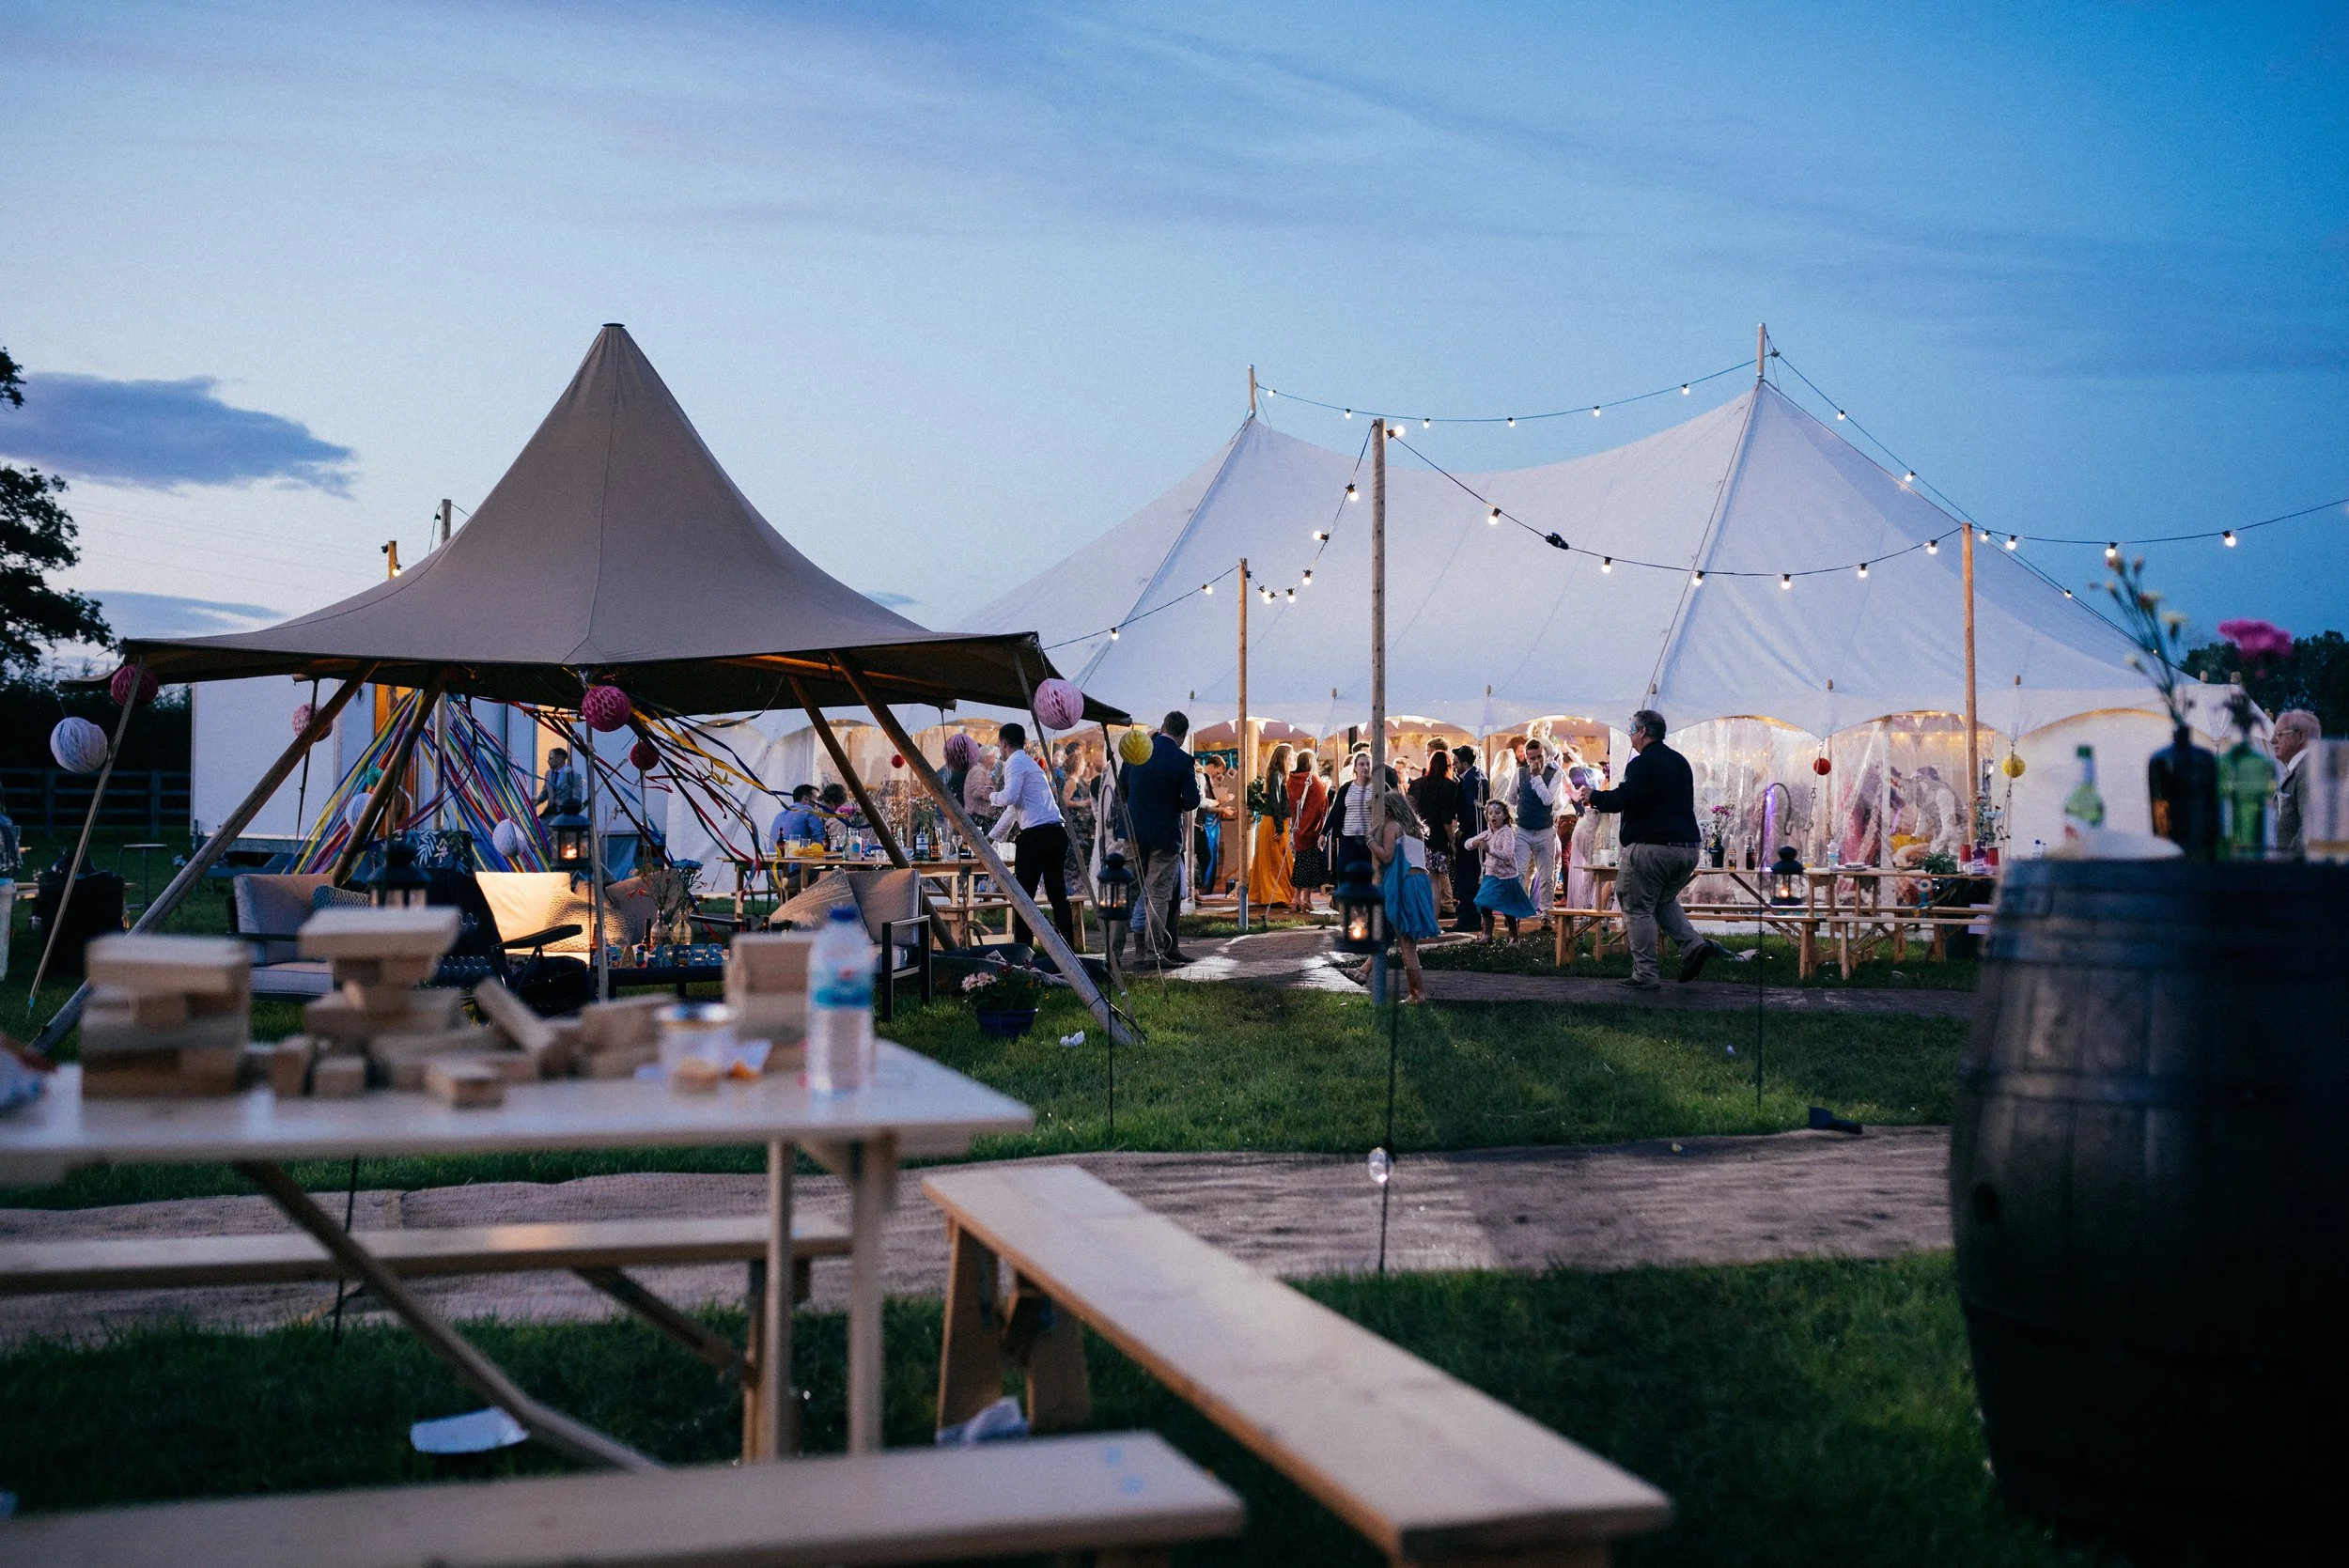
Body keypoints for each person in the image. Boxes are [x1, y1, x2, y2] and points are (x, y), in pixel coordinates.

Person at [1585, 709, 1725, 991]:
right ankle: (1694, 946)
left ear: (1642, 732)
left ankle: (1645, 973)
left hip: (1652, 848)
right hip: (1687, 848)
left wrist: (1595, 796)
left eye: (1631, 729)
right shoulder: (1680, 761)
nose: (1629, 735)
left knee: (1636, 906)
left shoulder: (1642, 764)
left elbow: (1625, 798)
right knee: (1662, 900)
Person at [988, 722, 1075, 950]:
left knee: (1023, 898)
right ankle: (1068, 948)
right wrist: (992, 837)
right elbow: (1013, 809)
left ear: (1003, 743)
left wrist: (991, 796)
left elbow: (1009, 798)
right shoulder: (1029, 763)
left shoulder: (1014, 762)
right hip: (1055, 832)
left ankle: (1023, 949)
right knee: (1057, 894)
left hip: (1037, 836)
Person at [1124, 711, 1202, 965]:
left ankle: (1114, 952)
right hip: (1165, 835)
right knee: (1158, 894)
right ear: (1183, 736)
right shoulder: (1182, 760)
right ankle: (1153, 953)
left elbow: (1122, 789)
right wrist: (1172, 802)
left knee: (1128, 890)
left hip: (1134, 831)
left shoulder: (1138, 751)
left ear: (1163, 726)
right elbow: (1191, 801)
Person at [1370, 788, 1441, 1003]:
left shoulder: (1392, 826)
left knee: (1406, 944)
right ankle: (1364, 970)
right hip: (1420, 882)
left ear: (1388, 810)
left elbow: (1386, 856)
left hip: (1404, 883)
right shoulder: (1415, 829)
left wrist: (1369, 840)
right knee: (1404, 938)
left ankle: (1417, 993)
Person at [1464, 799, 1537, 940]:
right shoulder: (1487, 833)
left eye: (1497, 813)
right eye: (1490, 813)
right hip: (1491, 875)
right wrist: (1474, 842)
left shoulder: (1507, 833)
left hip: (1507, 877)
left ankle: (1513, 936)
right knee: (1484, 902)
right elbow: (1467, 844)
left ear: (1504, 816)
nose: (1493, 816)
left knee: (1508, 908)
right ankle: (1487, 935)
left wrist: (1489, 849)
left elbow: (1507, 855)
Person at [1515, 737, 1564, 926]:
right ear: (1527, 758)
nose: (1536, 761)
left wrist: (1536, 778)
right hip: (1523, 829)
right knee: (1520, 873)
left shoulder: (1555, 774)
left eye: (1539, 757)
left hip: (1544, 830)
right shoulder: (1519, 773)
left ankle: (1546, 914)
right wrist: (1513, 819)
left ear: (1545, 755)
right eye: (1532, 758)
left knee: (1546, 875)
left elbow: (1547, 800)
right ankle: (1519, 911)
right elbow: (1510, 798)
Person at [1325, 749, 1396, 882]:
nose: (1365, 767)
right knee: (1345, 873)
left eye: (1368, 764)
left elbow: (1392, 807)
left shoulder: (1379, 787)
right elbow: (1336, 811)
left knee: (1367, 874)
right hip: (1348, 837)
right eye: (1362, 764)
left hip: (1369, 838)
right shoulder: (1346, 788)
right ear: (1355, 768)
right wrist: (1324, 833)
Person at [1409, 749, 1460, 919]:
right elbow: (1446, 818)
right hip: (1438, 838)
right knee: (1434, 881)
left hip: (1417, 836)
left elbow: (1410, 810)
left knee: (1418, 878)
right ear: (1448, 765)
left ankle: (1420, 917)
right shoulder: (1449, 786)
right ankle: (1433, 920)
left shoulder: (1417, 784)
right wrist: (1452, 842)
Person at [1248, 743, 1296, 911]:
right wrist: (1279, 827)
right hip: (1274, 821)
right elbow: (1275, 800)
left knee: (1277, 859)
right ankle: (1275, 894)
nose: (1292, 759)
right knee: (1276, 860)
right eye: (1290, 756)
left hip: (1276, 820)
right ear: (1284, 757)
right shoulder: (1277, 774)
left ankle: (1275, 894)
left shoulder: (1279, 774)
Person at [1448, 744, 1485, 931]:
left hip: (1471, 834)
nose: (1454, 766)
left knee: (1466, 877)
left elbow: (1472, 808)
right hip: (1476, 832)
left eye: (1456, 762)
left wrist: (1461, 829)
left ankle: (1467, 919)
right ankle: (1472, 917)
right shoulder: (1479, 776)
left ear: (1464, 763)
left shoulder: (1470, 781)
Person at [2274, 708, 2320, 858]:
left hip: (2295, 868)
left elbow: (2311, 828)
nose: (2273, 740)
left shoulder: (2308, 769)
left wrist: (2286, 859)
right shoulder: (2301, 769)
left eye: (2279, 734)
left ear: (2300, 736)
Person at [1289, 749, 1330, 911]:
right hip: (1311, 829)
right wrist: (1327, 788)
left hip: (1298, 828)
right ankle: (1306, 899)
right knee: (1310, 867)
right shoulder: (1312, 779)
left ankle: (1295, 898)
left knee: (1300, 864)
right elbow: (1320, 803)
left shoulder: (1292, 780)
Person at [1563, 749, 1604, 909]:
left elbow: (1576, 796)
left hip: (1584, 821)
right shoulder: (1591, 774)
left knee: (1584, 867)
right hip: (1592, 822)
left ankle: (1585, 903)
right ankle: (1588, 903)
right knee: (1589, 865)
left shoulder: (1573, 775)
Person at [537, 747, 585, 820]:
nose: (548, 761)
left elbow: (576, 798)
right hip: (549, 814)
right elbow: (545, 792)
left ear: (560, 759)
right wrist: (537, 800)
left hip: (565, 816)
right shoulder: (548, 774)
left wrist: (567, 806)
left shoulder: (574, 776)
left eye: (551, 758)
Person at [769, 784, 823, 850]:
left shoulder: (779, 815)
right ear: (805, 799)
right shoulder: (809, 811)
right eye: (817, 800)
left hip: (772, 856)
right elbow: (822, 841)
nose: (819, 805)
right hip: (794, 856)